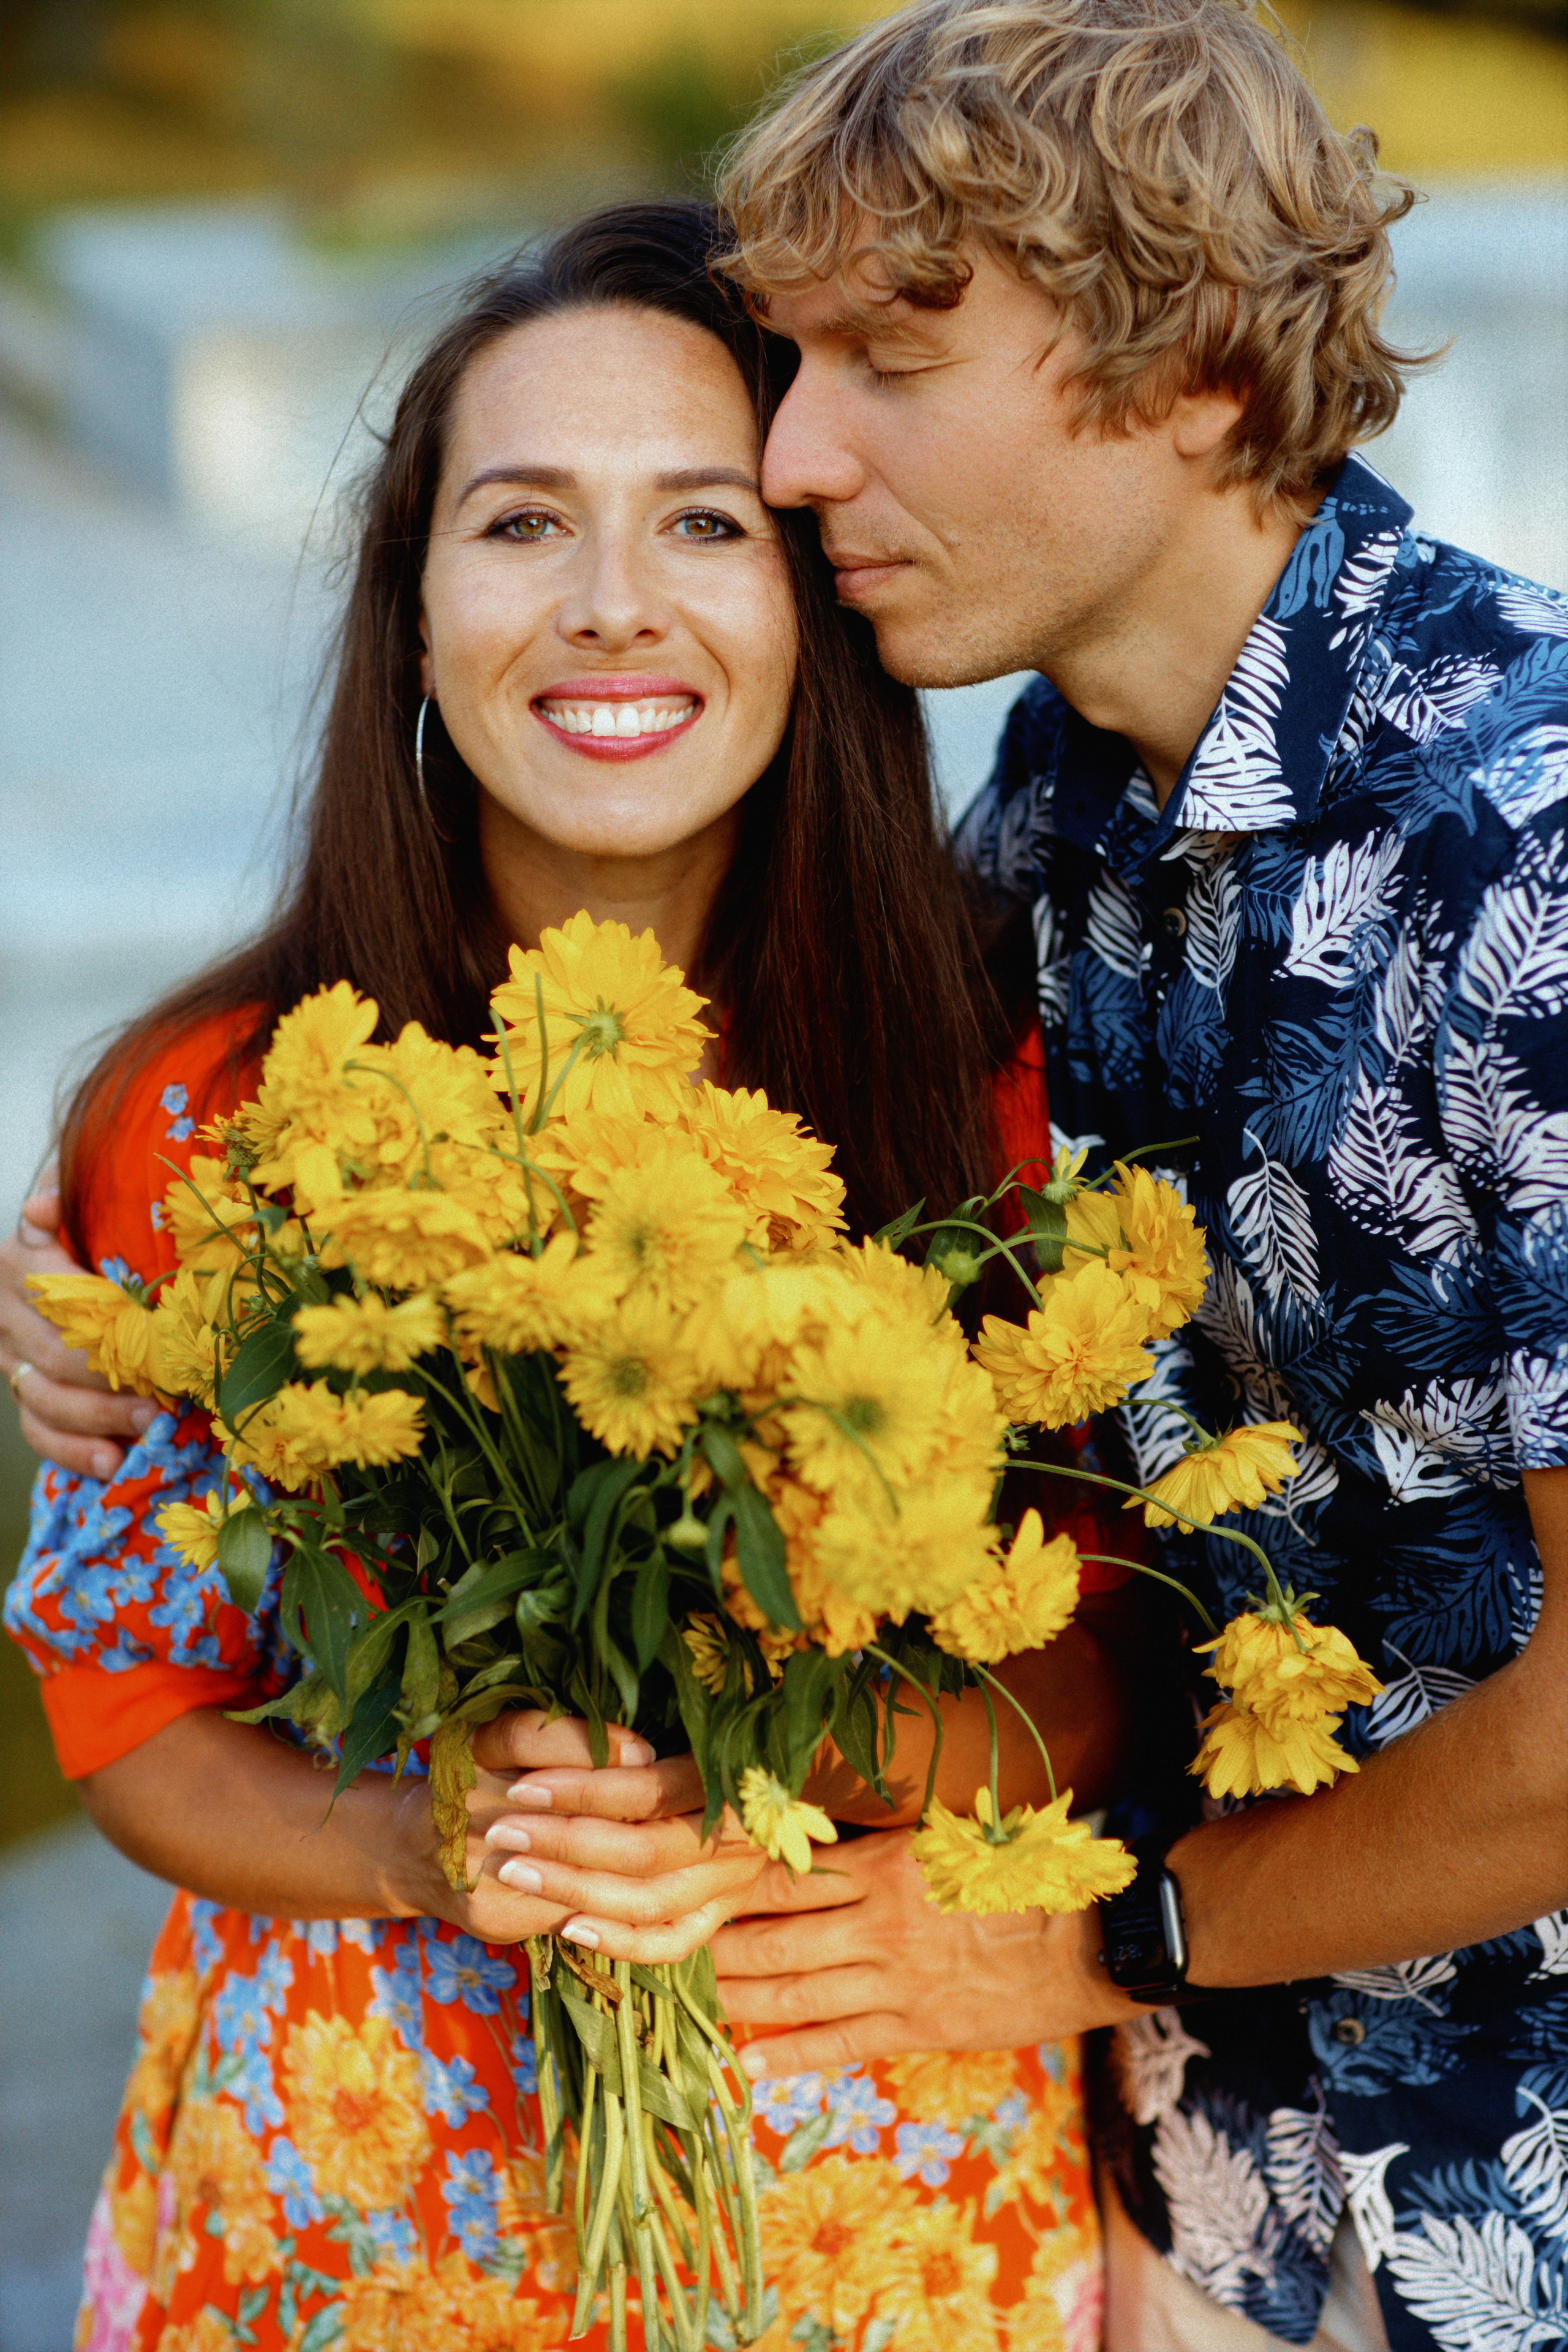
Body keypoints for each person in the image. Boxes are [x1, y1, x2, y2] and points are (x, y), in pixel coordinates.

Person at [1, 200, 1128, 2349]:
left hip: (879, 2229)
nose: (615, 607)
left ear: (813, 599)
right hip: (345, 2210)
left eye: (706, 523)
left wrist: (784, 1767)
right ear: (412, 614)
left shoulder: (994, 1095)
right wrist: (440, 1840)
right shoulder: (204, 1115)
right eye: (523, 524)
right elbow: (127, 1718)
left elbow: (1099, 1675)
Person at [631, 4, 1564, 2350]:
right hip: (1204, 2181)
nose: (795, 450)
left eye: (891, 361)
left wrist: (1099, 1934)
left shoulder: (1528, 848)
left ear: (1202, 384)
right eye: (789, 356)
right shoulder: (1055, 799)